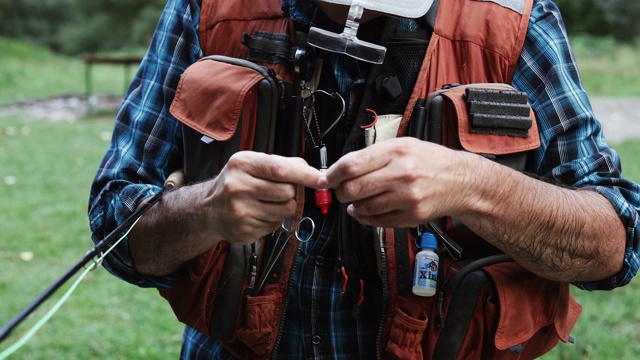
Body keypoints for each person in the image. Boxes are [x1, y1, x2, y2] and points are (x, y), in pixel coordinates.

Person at [88, 0, 640, 358]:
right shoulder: (210, 9)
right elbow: (116, 231)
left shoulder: (510, 20)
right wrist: (207, 207)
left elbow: (615, 246)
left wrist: (476, 186)